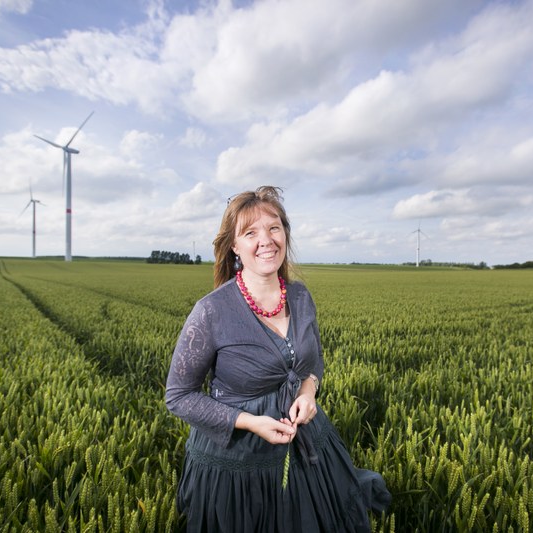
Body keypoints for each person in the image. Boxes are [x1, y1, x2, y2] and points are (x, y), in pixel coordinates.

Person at [165, 186, 391, 532]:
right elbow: (178, 396)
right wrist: (250, 422)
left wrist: (308, 392)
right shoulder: (211, 311)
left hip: (306, 444)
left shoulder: (300, 296)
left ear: (285, 234)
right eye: (250, 232)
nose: (266, 240)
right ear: (234, 246)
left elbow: (312, 362)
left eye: (274, 227)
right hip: (237, 461)